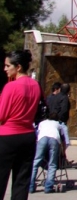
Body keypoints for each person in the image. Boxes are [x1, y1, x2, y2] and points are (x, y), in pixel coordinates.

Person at [0, 50, 42, 200]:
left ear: (18, 67)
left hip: (8, 136)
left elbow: (2, 114)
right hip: (28, 135)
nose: (5, 69)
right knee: (22, 180)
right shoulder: (35, 85)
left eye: (7, 66)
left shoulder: (11, 86)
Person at [30, 112, 66, 194]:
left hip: (42, 139)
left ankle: (31, 186)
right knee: (52, 164)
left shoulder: (42, 123)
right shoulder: (59, 124)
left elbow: (37, 133)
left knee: (36, 162)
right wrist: (63, 152)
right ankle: (48, 187)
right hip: (54, 139)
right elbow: (63, 139)